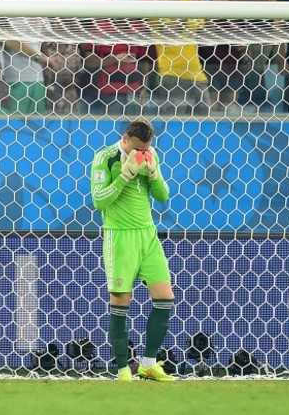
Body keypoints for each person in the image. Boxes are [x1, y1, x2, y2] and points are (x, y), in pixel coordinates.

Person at [90, 118, 176, 382]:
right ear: (125, 139)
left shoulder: (150, 155)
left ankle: (148, 364)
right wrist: (124, 177)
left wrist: (154, 175)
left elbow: (162, 196)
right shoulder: (105, 157)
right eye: (137, 149)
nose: (141, 154)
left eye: (145, 149)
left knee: (165, 298)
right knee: (121, 302)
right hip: (120, 237)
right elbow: (98, 201)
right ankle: (122, 369)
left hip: (148, 235)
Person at [152, 0, 211, 117]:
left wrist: (206, 8)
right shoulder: (155, 11)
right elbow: (171, 32)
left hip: (198, 77)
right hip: (172, 77)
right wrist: (191, 3)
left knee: (205, 127)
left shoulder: (190, 8)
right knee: (174, 126)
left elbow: (207, 33)